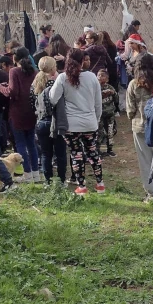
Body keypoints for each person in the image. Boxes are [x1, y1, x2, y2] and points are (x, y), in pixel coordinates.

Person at [49, 49, 105, 196]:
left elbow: (53, 98)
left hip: (71, 125)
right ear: (83, 61)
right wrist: (96, 120)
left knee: (76, 154)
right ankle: (100, 184)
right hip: (90, 123)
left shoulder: (62, 78)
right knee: (93, 152)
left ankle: (81, 186)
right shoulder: (92, 77)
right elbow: (98, 103)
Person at [125, 54, 153, 201]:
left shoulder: (134, 84)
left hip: (140, 127)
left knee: (145, 161)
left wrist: (134, 117)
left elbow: (130, 110)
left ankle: (151, 193)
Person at [0, 47, 41, 182]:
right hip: (31, 111)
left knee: (20, 143)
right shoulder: (34, 72)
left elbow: (12, 92)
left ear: (14, 58)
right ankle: (36, 173)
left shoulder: (14, 71)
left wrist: (1, 87)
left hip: (17, 111)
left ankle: (27, 173)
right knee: (31, 143)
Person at [33, 56, 67, 185]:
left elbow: (33, 104)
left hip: (41, 122)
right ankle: (62, 180)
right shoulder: (58, 83)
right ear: (54, 68)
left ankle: (48, 181)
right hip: (56, 121)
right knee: (60, 153)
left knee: (46, 154)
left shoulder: (36, 84)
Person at [97, 68, 118, 157]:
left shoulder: (110, 87)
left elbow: (116, 99)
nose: (100, 77)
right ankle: (98, 150)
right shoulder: (95, 87)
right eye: (98, 75)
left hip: (110, 114)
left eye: (102, 76)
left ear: (107, 79)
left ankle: (110, 149)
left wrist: (113, 93)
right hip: (100, 114)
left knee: (110, 132)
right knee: (100, 132)